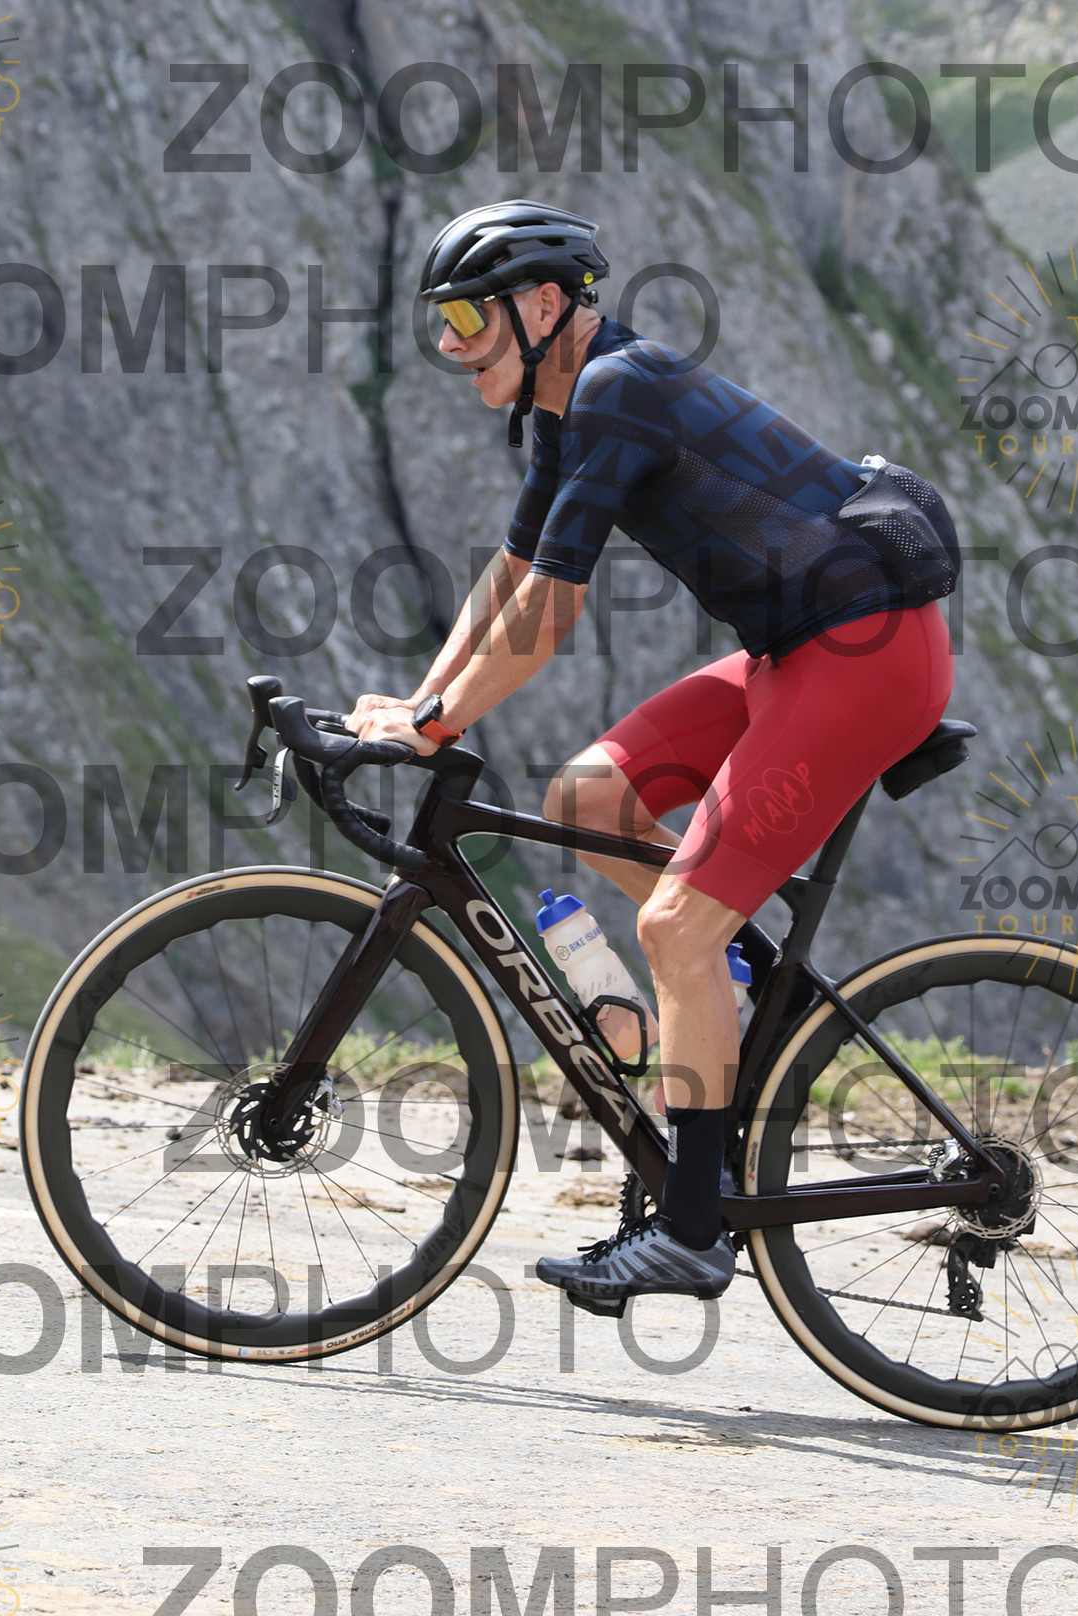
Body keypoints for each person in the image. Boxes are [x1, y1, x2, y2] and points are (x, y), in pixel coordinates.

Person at [349, 200, 958, 1307]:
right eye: (441, 320)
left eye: (467, 318)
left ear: (543, 306)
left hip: (865, 655)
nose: (449, 343)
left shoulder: (617, 388)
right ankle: (752, 997)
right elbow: (509, 575)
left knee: (673, 927)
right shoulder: (567, 407)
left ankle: (690, 1228)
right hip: (798, 653)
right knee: (588, 798)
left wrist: (433, 728)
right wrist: (427, 702)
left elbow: (550, 610)